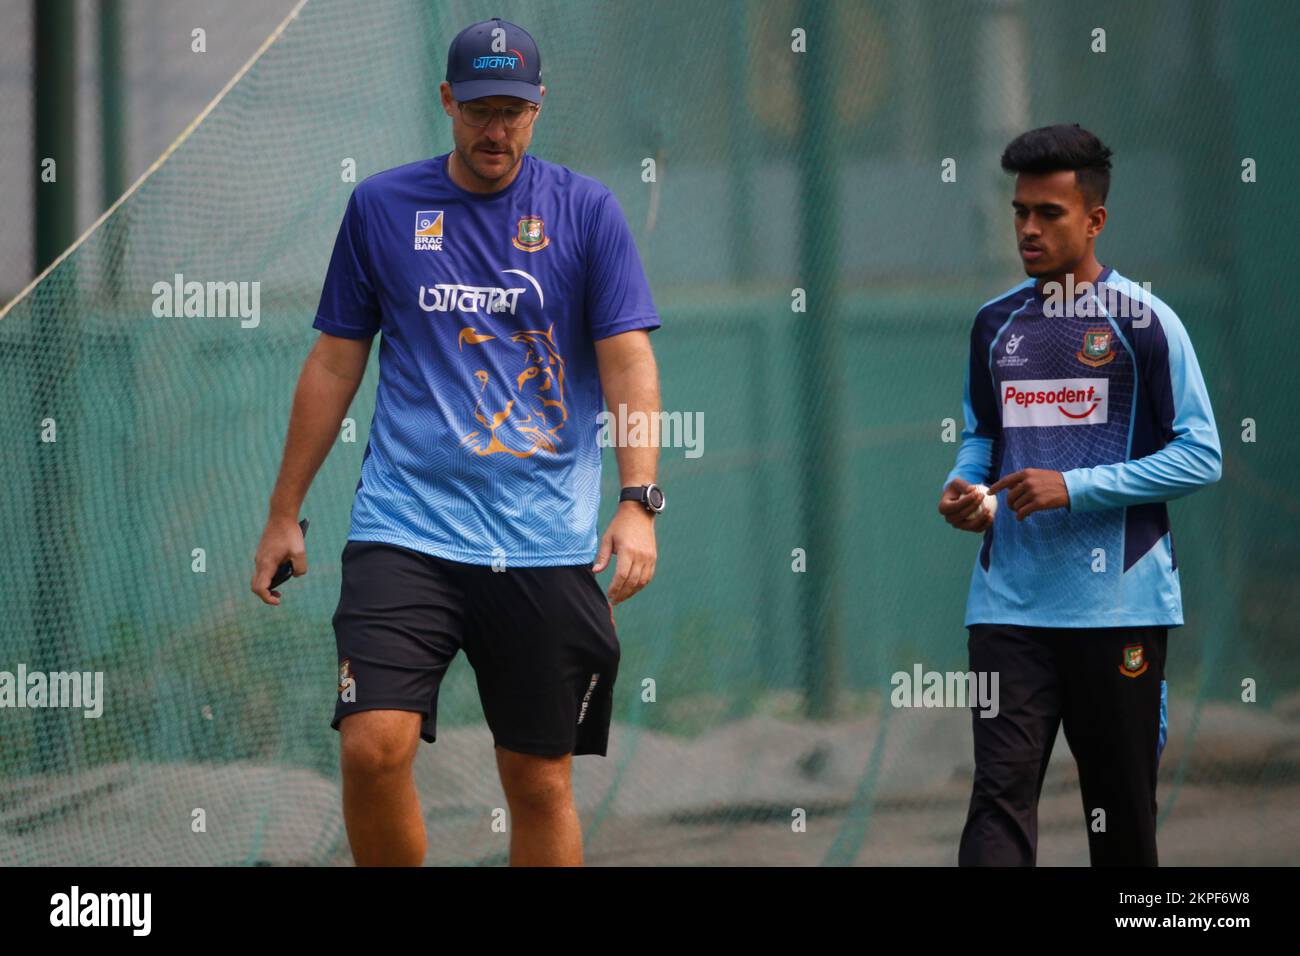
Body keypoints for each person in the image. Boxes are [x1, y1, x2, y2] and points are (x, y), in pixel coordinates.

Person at [251, 17, 665, 867]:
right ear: (448, 102)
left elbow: (628, 361)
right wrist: (284, 511)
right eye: (480, 108)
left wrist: (637, 502)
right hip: (407, 529)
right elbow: (334, 363)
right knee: (373, 747)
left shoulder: (584, 211)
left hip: (543, 542)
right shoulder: (381, 208)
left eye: (514, 109)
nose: (496, 129)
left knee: (540, 780)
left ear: (538, 109)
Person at [938, 124, 1221, 866]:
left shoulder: (1146, 323)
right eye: (1020, 211)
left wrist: (1075, 487)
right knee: (997, 804)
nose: (1028, 228)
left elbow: (1202, 455)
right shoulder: (994, 325)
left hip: (1119, 609)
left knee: (1119, 819)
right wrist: (966, 488)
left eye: (1049, 213)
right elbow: (983, 438)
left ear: (1095, 219)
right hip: (1007, 611)